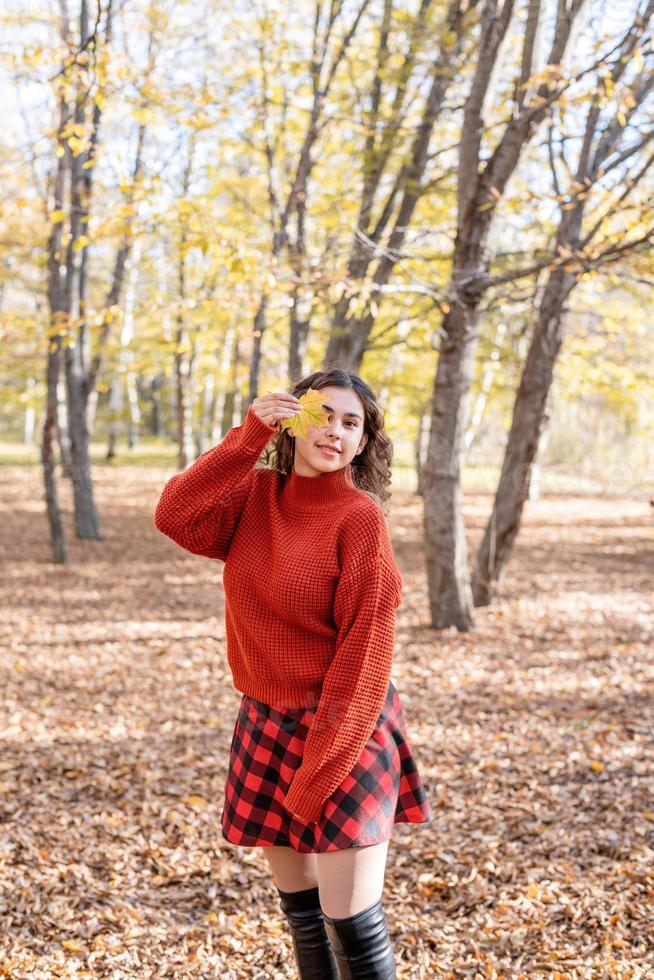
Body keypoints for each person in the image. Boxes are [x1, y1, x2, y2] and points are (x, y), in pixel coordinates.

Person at [153, 367, 432, 979]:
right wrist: (248, 436)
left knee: (352, 928)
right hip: (265, 724)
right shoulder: (256, 498)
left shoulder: (359, 521)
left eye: (351, 423)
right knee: (302, 917)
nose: (335, 431)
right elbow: (175, 514)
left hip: (346, 731)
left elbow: (365, 658)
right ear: (294, 419)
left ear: (363, 442)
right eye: (323, 415)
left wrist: (320, 768)